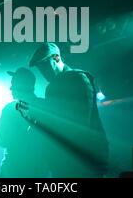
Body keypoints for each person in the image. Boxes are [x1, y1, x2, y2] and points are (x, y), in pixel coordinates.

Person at [29, 43, 109, 177]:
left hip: (84, 158)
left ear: (56, 58)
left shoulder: (78, 78)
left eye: (44, 65)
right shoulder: (53, 87)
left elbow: (79, 122)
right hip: (67, 158)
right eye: (40, 68)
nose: (43, 72)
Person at [0, 67, 48, 177]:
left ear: (23, 86)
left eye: (14, 83)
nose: (10, 87)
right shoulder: (45, 107)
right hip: (38, 169)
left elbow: (0, 140)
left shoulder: (10, 109)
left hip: (13, 168)